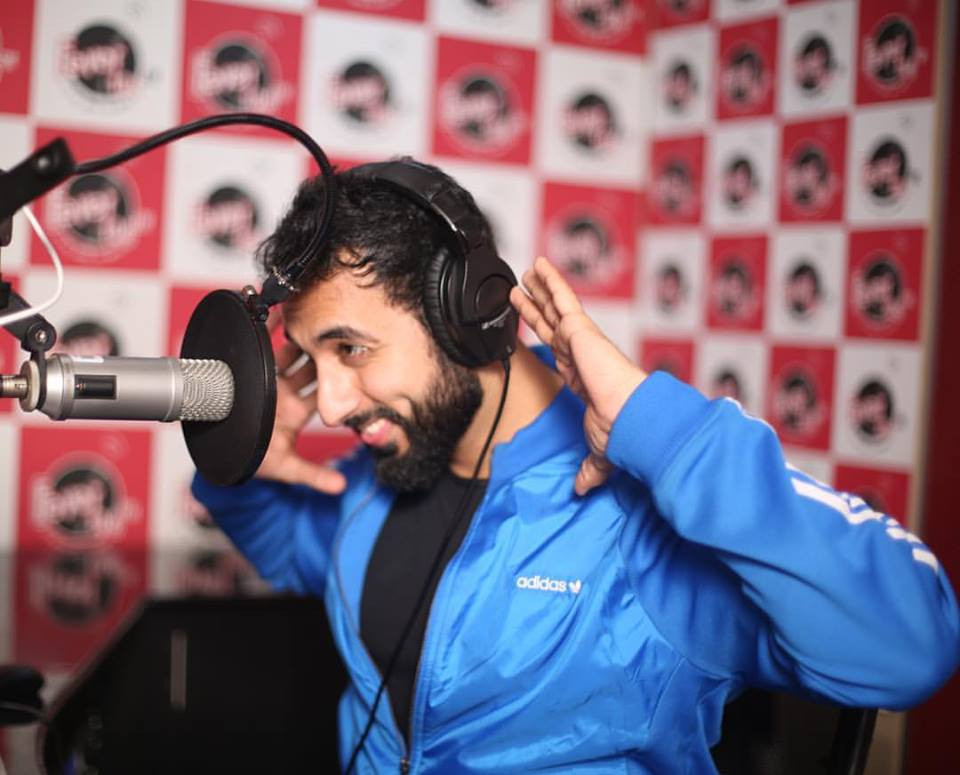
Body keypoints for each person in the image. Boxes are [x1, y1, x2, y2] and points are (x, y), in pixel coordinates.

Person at [192, 160, 960, 774]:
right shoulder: (371, 486)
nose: (328, 403)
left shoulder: (645, 522)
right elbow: (286, 546)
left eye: (351, 350)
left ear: (466, 314)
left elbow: (911, 643)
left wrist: (660, 427)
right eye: (312, 360)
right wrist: (254, 459)